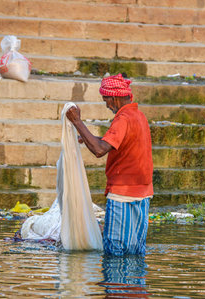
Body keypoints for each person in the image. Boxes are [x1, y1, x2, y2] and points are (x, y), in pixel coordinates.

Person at [66, 73, 153, 256]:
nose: (106, 104)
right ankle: (134, 285)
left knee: (116, 252)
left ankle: (116, 285)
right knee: (135, 252)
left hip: (123, 194)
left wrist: (77, 122)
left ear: (113, 98)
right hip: (143, 193)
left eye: (106, 100)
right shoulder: (138, 115)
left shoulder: (123, 118)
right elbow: (116, 143)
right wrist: (90, 139)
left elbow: (99, 150)